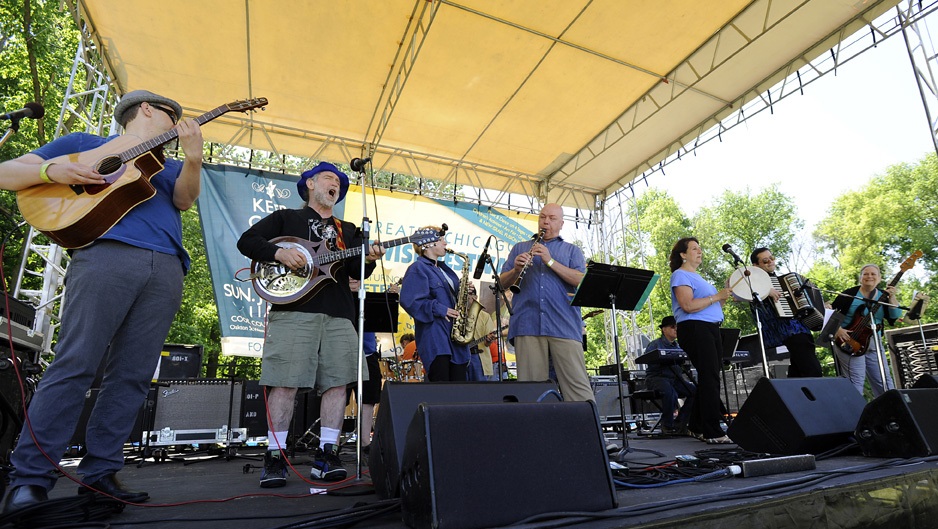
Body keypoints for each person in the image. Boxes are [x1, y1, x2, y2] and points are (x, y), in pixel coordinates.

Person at [0, 90, 203, 512]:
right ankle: (30, 478)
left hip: (166, 265)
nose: (177, 122)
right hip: (105, 253)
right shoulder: (84, 144)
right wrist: (55, 171)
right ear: (146, 109)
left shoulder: (165, 163)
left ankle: (101, 473)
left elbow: (184, 200)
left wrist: (195, 158)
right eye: (173, 114)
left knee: (132, 375)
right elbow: (7, 171)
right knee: (76, 363)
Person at [237, 161, 384, 488]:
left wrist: (370, 259)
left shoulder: (349, 232)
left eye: (339, 182)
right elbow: (247, 241)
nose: (335, 184)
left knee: (339, 383)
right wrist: (278, 254)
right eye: (329, 178)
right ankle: (275, 456)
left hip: (341, 313)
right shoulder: (286, 218)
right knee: (284, 381)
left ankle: (327, 454)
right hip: (294, 312)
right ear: (310, 184)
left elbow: (359, 275)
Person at [499, 203, 593, 402]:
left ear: (561, 223)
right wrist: (516, 270)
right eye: (543, 217)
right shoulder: (520, 248)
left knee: (577, 386)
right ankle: (535, 431)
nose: (546, 222)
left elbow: (581, 280)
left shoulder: (571, 250)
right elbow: (501, 283)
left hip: (564, 324)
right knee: (532, 390)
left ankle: (585, 429)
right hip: (527, 324)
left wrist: (550, 261)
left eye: (551, 218)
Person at [669, 237, 733, 444]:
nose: (700, 251)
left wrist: (722, 297)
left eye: (700, 248)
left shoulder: (699, 278)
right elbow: (687, 305)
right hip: (695, 328)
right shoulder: (680, 275)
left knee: (711, 376)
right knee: (709, 377)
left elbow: (711, 306)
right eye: (694, 248)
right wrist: (716, 297)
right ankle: (711, 430)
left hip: (710, 328)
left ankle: (696, 425)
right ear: (683, 254)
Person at [400, 228, 470, 381]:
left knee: (459, 392)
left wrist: (466, 293)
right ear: (428, 243)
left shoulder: (445, 270)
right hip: (436, 337)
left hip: (455, 338)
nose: (445, 243)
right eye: (441, 240)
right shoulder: (417, 268)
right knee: (441, 389)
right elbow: (410, 301)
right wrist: (439, 309)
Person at [748, 248, 823, 377]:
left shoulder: (778, 280)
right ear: (756, 265)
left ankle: (793, 395)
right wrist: (766, 291)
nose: (770, 262)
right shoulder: (752, 281)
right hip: (786, 330)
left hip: (799, 329)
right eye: (765, 261)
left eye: (772, 258)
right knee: (813, 370)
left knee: (800, 370)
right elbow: (743, 293)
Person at [831, 264, 901, 396]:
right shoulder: (849, 295)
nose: (869, 276)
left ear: (880, 279)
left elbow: (895, 316)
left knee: (885, 382)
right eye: (866, 274)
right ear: (860, 278)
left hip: (874, 341)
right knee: (856, 382)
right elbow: (829, 315)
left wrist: (892, 297)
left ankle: (891, 412)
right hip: (850, 340)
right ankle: (854, 414)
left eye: (873, 274)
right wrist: (838, 330)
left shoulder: (883, 296)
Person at [642, 316, 696, 435]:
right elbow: (649, 362)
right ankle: (667, 425)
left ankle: (680, 423)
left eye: (677, 327)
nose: (676, 329)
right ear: (664, 329)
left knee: (696, 391)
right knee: (670, 392)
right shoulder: (655, 344)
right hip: (656, 378)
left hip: (675, 380)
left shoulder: (679, 346)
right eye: (672, 327)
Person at [346, 278, 381, 453]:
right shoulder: (339, 299)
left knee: (369, 398)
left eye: (357, 276)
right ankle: (332, 443)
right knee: (338, 396)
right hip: (342, 354)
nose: (354, 279)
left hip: (367, 353)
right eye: (350, 276)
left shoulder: (368, 299)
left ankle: (365, 440)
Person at [466, 283, 497, 381]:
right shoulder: (456, 313)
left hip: (478, 358)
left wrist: (489, 339)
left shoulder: (485, 316)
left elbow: (487, 343)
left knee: (480, 390)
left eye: (470, 295)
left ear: (475, 297)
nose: (467, 298)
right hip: (460, 356)